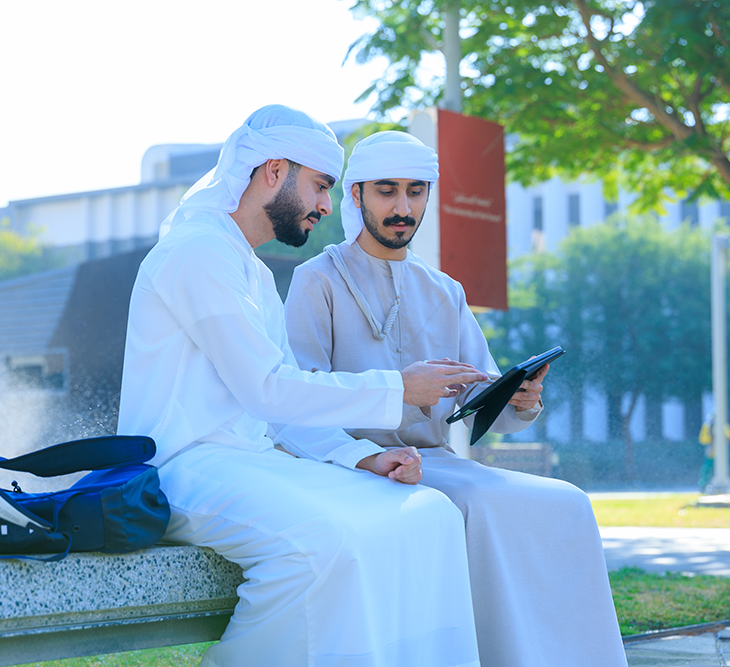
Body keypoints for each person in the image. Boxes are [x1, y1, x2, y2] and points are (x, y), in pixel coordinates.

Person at [117, 107, 486, 667]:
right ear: (272, 171)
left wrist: (361, 457)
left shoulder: (254, 272)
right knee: (327, 543)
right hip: (182, 468)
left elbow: (281, 412)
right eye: (319, 186)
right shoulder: (197, 253)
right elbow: (269, 390)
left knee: (428, 514)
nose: (325, 207)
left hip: (250, 461)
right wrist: (399, 388)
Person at [285, 131, 629, 667]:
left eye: (416, 192)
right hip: (353, 466)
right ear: (355, 195)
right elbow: (296, 401)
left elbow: (477, 406)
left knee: (567, 503)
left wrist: (520, 399)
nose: (403, 208)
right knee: (483, 504)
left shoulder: (444, 290)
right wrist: (370, 451)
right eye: (386, 191)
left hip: (442, 461)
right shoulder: (316, 281)